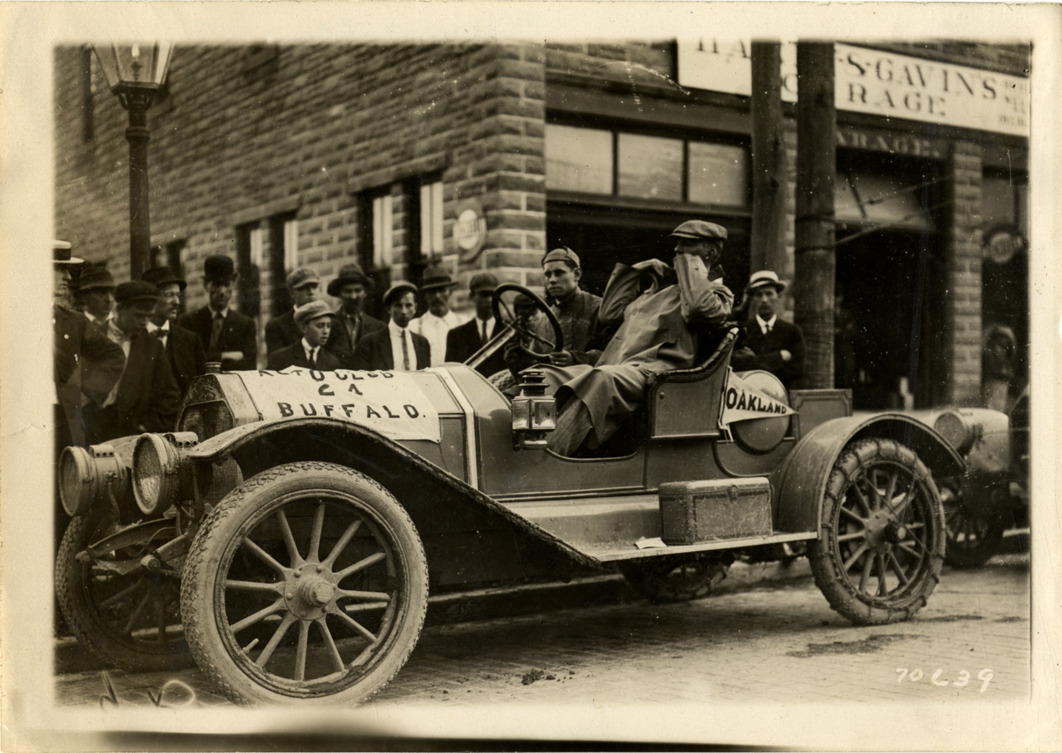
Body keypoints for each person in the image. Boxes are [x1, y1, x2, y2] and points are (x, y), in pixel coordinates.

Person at [534, 220, 734, 457]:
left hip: (656, 373)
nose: (677, 249)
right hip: (619, 366)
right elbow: (608, 313)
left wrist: (690, 266)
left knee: (601, 380)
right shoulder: (657, 292)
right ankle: (519, 444)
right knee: (542, 375)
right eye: (677, 243)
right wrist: (637, 270)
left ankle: (544, 457)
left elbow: (697, 308)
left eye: (688, 244)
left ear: (710, 253)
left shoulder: (717, 294)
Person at [83, 281, 181, 444]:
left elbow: (170, 398)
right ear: (120, 309)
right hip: (90, 431)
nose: (144, 322)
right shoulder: (90, 338)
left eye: (149, 316)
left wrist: (145, 426)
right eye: (139, 315)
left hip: (130, 437)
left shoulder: (152, 347)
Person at [53, 241, 124, 451]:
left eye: (67, 270)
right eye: (59, 269)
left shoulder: (74, 321)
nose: (68, 277)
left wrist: (89, 392)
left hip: (64, 425)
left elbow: (114, 355)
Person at [178, 255, 257, 371]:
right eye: (216, 284)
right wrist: (223, 356)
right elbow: (185, 362)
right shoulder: (188, 321)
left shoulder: (245, 325)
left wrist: (207, 359)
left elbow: (249, 367)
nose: (222, 291)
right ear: (206, 285)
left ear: (233, 284)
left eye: (227, 284)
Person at [731, 270, 805, 390]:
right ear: (752, 299)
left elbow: (797, 370)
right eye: (759, 295)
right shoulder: (743, 331)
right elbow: (737, 366)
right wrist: (778, 357)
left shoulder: (792, 332)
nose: (764, 300)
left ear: (778, 296)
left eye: (769, 293)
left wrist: (753, 360)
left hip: (781, 396)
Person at [142, 265, 207, 397]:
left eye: (178, 295)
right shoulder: (133, 337)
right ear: (150, 299)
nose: (177, 302)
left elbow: (203, 390)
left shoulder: (190, 340)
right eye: (169, 295)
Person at [353, 282, 431, 371]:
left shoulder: (422, 343)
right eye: (398, 306)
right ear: (389, 309)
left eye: (408, 305)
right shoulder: (370, 343)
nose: (404, 311)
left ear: (415, 308)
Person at [325, 262, 386, 369]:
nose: (353, 296)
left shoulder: (378, 328)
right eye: (347, 291)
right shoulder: (328, 324)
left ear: (365, 293)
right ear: (339, 294)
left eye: (358, 290)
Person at [445, 272, 507, 377]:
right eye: (484, 294)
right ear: (472, 296)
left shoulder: (508, 332)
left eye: (493, 294)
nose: (489, 300)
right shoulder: (456, 335)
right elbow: (451, 375)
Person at [409, 264, 464, 366]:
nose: (437, 296)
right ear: (425, 295)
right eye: (431, 291)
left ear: (450, 292)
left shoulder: (464, 324)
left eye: (442, 290)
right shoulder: (413, 327)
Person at [267, 300, 344, 371]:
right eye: (320, 326)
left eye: (328, 326)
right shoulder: (281, 358)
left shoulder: (333, 362)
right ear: (304, 328)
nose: (326, 331)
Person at [265, 267, 321, 355]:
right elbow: (277, 359)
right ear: (292, 293)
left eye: (314, 287)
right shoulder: (277, 326)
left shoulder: (332, 323)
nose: (311, 292)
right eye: (304, 288)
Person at [982, 324, 1016, 412]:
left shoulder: (1006, 366)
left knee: (999, 405)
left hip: (1002, 378)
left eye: (1002, 346)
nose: (998, 350)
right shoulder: (990, 353)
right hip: (992, 376)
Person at [74, 262, 116, 333]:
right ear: (85, 296)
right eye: (101, 294)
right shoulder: (75, 325)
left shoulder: (119, 325)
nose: (109, 299)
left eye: (112, 293)